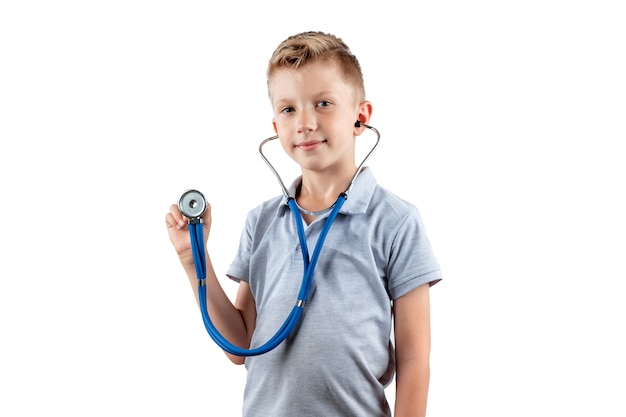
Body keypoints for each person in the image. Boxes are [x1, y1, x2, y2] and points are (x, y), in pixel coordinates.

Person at [166, 31, 442, 417]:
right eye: (289, 109)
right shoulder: (261, 222)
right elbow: (239, 344)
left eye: (323, 103)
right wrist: (193, 259)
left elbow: (414, 362)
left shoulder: (395, 222)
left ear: (360, 117)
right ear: (275, 126)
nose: (305, 122)